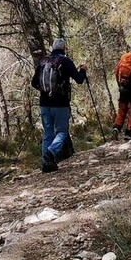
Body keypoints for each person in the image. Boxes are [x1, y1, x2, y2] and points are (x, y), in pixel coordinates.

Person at [31, 38, 87, 172]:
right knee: (61, 131)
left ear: (52, 48)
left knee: (48, 133)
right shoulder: (65, 61)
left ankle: (46, 164)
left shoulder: (43, 61)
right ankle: (50, 154)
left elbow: (34, 83)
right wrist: (83, 70)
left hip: (44, 103)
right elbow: (79, 80)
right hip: (60, 103)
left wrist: (46, 91)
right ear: (64, 48)